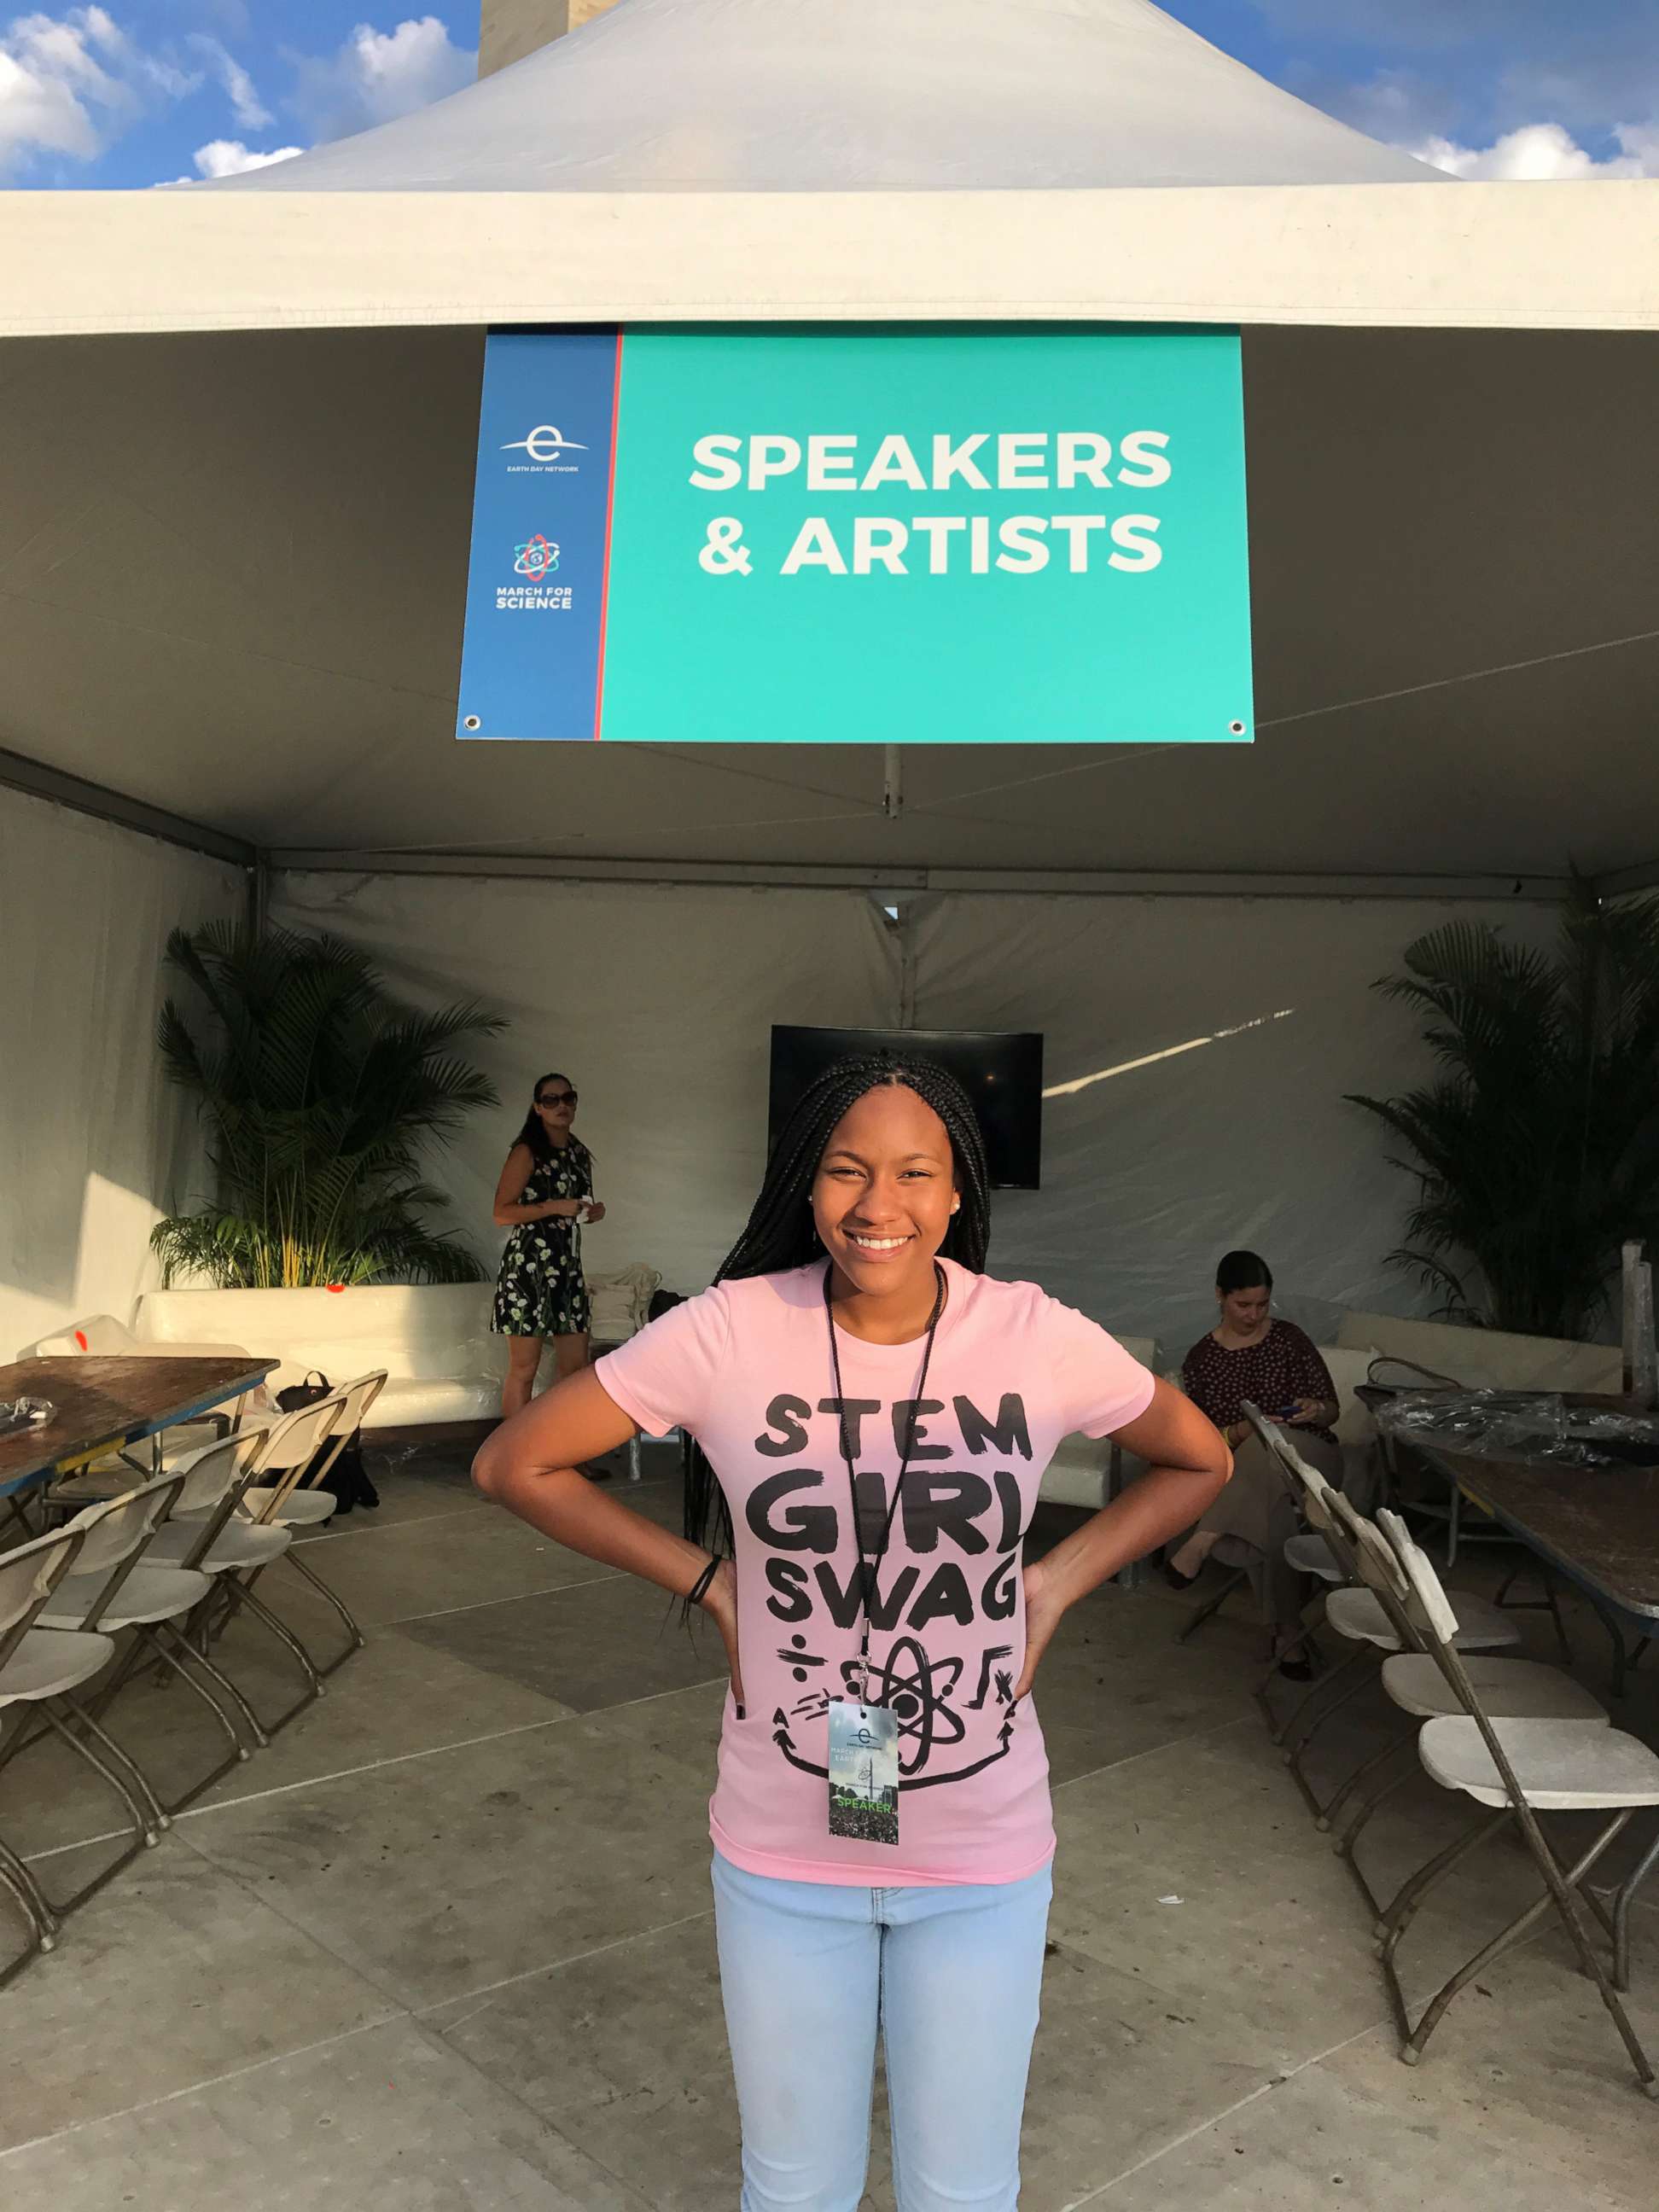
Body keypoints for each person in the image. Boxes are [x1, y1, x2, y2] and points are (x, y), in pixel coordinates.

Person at [474, 1052, 1230, 2212]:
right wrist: (712, 1582)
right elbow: (516, 1459)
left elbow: (1200, 1457)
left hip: (980, 1853)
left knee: (963, 2195)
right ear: (807, 1183)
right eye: (846, 1171)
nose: (880, 1205)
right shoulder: (731, 1331)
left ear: (959, 1190)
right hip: (785, 1853)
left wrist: (1059, 1581)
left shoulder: (1034, 1336)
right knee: (792, 2194)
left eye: (915, 1172)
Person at [1164, 1250, 1342, 1676]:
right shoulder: (1202, 1359)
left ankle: (1203, 1538)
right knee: (1271, 1500)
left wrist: (1314, 1408)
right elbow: (1203, 1442)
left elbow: (1333, 1410)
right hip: (1253, 1471)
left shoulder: (1289, 1339)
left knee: (1269, 1449)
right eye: (1244, 1305)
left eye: (1262, 1305)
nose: (1254, 1314)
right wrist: (1240, 1432)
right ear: (1220, 1297)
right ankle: (1288, 1630)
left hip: (1313, 1458)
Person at [490, 1073, 606, 1422]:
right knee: (524, 1369)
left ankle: (560, 1451)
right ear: (538, 1107)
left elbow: (574, 1206)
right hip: (528, 1270)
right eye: (551, 1100)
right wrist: (553, 1207)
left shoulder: (578, 1152)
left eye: (567, 1098)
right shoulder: (527, 1151)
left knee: (575, 1370)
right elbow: (501, 1213)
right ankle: (513, 1458)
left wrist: (590, 1213)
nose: (561, 1106)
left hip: (567, 1270)